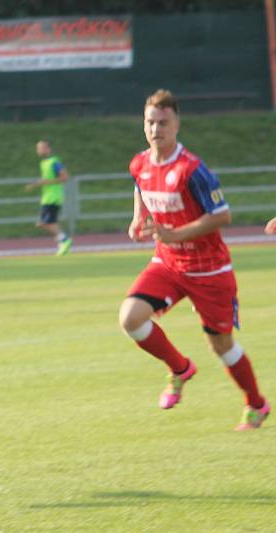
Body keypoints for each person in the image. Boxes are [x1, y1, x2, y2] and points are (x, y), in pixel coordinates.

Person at [119, 88, 268, 431]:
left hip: (210, 270)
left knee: (223, 347)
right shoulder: (139, 162)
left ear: (176, 124)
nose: (156, 129)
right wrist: (138, 216)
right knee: (130, 318)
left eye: (163, 122)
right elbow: (139, 185)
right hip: (169, 263)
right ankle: (180, 368)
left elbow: (222, 215)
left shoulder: (192, 169)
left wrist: (176, 234)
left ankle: (256, 405)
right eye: (150, 122)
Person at [25, 140, 73, 256]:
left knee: (43, 223)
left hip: (53, 197)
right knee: (46, 223)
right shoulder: (43, 163)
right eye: (38, 148)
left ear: (48, 149)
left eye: (42, 148)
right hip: (47, 198)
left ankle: (64, 240)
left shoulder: (54, 162)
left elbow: (65, 177)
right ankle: (63, 243)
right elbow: (45, 180)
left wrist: (48, 182)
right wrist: (35, 184)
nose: (39, 150)